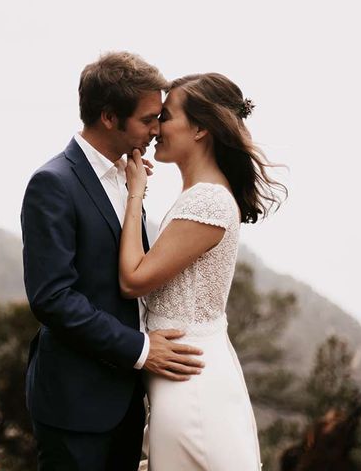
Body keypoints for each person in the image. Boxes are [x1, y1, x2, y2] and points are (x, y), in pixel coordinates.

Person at [20, 52, 205, 471]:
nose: (156, 131)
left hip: (125, 402)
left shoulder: (129, 176)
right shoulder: (53, 183)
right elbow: (52, 298)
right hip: (75, 405)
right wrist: (140, 349)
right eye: (147, 120)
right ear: (108, 117)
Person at [120, 72, 286, 470]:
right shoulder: (200, 195)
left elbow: (133, 279)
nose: (156, 128)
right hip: (182, 371)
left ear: (200, 129)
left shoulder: (208, 201)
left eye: (167, 116)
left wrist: (135, 194)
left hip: (190, 380)